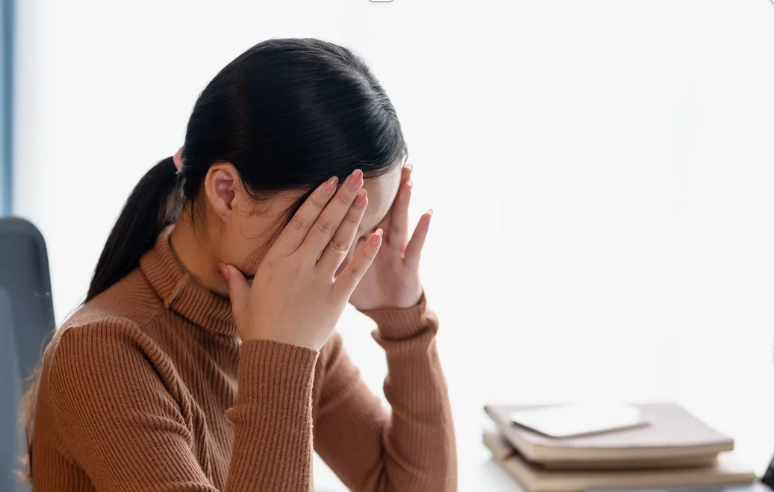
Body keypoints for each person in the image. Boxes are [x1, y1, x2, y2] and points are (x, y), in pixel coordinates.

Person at [22, 38, 457, 491]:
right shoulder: (101, 354)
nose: (346, 262)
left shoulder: (290, 322)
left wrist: (402, 317)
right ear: (226, 191)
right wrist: (282, 357)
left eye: (366, 230)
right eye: (330, 229)